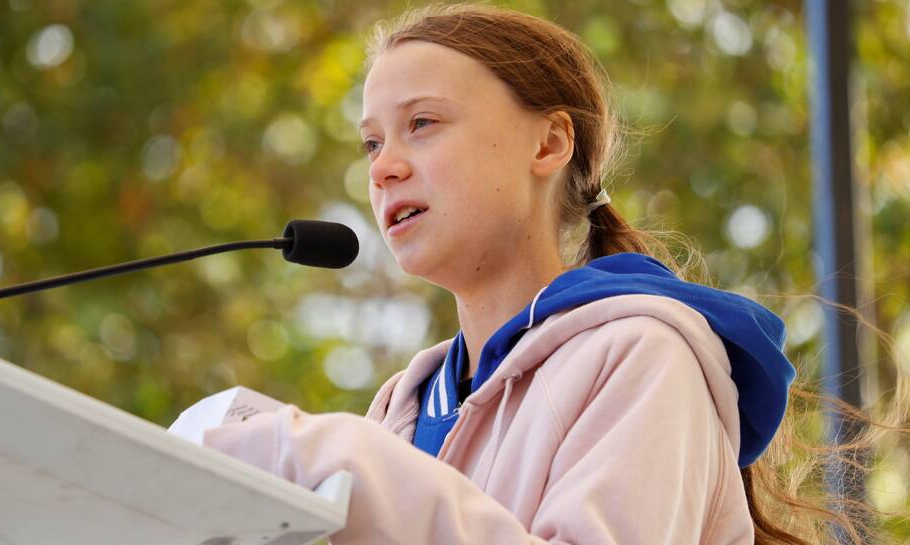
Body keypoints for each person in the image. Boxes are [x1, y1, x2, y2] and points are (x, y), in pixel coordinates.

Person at [203, 5, 885, 544]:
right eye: (373, 142)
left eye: (423, 123)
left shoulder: (642, 356)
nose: (383, 167)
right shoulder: (401, 407)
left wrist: (339, 453)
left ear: (550, 142)